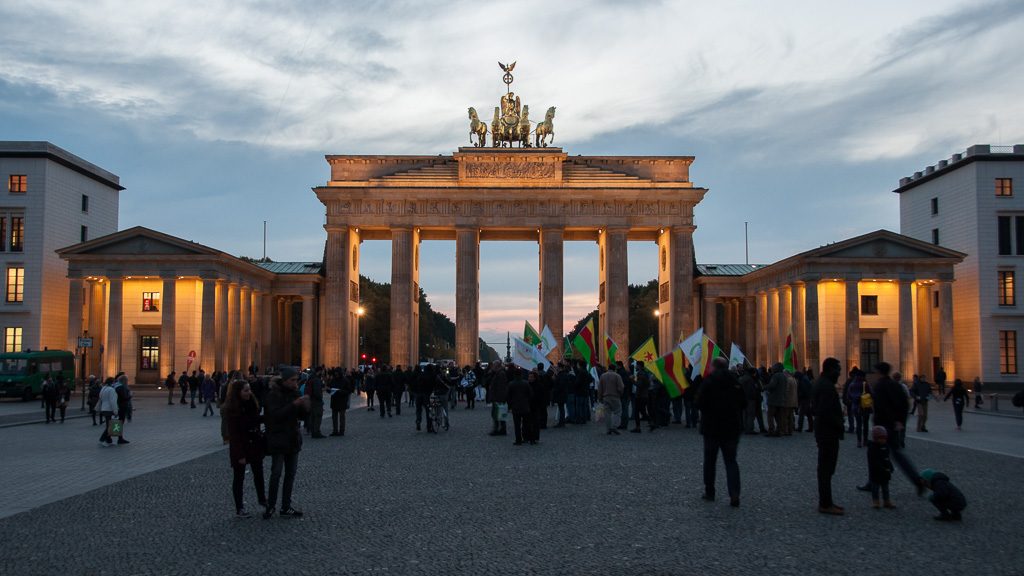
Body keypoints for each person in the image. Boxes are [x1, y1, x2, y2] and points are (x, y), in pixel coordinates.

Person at [695, 357, 746, 507]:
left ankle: (710, 491)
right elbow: (743, 402)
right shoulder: (735, 381)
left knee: (710, 461)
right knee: (731, 461)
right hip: (731, 428)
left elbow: (698, 402)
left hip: (712, 428)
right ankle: (734, 493)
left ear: (713, 367)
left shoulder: (709, 381)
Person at [871, 362, 925, 495]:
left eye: (875, 371)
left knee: (877, 456)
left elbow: (879, 407)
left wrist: (877, 422)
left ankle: (873, 483)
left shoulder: (879, 386)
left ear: (879, 372)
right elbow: (905, 404)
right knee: (895, 454)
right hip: (892, 425)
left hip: (882, 426)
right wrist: (900, 421)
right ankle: (916, 480)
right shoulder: (896, 385)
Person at [263, 367, 310, 519]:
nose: (296, 383)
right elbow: (275, 415)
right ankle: (270, 506)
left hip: (292, 439)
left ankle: (285, 506)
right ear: (284, 381)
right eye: (293, 380)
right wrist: (294, 405)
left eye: (297, 380)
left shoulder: (295, 394)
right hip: (278, 439)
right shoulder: (273, 395)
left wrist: (305, 407)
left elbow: (301, 416)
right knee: (276, 474)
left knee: (290, 474)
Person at [223, 379, 266, 518]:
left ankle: (262, 499)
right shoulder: (232, 409)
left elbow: (255, 420)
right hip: (240, 446)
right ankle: (239, 507)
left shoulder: (252, 404)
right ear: (238, 392)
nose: (249, 392)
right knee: (239, 477)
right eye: (246, 390)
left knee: (258, 473)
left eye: (249, 389)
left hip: (253, 443)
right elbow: (234, 434)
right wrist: (240, 454)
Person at [812, 357, 845, 515]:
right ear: (830, 370)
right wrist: (839, 424)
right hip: (827, 432)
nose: (839, 373)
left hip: (825, 431)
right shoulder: (826, 387)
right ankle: (825, 503)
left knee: (827, 469)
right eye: (838, 370)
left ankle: (827, 501)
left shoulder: (823, 383)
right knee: (826, 469)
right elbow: (825, 411)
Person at [866, 426, 895, 509]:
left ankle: (887, 501)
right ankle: (876, 501)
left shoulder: (886, 446)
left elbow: (887, 458)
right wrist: (883, 468)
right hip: (876, 472)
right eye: (881, 438)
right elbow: (873, 461)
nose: (883, 440)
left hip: (885, 471)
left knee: (885, 488)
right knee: (875, 488)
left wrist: (890, 467)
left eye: (884, 438)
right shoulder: (872, 448)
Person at [506, 367, 533, 445]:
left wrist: (510, 406)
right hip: (525, 406)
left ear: (514, 375)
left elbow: (508, 396)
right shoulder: (526, 383)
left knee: (517, 425)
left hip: (515, 407)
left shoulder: (511, 384)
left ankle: (518, 440)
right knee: (527, 424)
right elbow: (531, 394)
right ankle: (530, 439)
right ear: (521, 374)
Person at [597, 364, 624, 435]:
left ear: (608, 368)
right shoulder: (617, 376)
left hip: (606, 397)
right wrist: (620, 394)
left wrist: (599, 397)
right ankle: (614, 426)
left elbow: (600, 388)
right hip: (615, 396)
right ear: (615, 369)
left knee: (607, 413)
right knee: (618, 412)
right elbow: (621, 387)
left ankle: (608, 429)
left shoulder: (603, 376)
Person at [765, 363, 788, 437]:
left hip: (773, 399)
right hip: (781, 399)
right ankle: (778, 431)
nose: (772, 368)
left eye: (774, 367)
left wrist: (764, 387)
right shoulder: (784, 376)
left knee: (770, 416)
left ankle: (771, 430)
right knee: (779, 417)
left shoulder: (776, 376)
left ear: (777, 368)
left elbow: (772, 385)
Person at [487, 361, 509, 436]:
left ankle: (497, 429)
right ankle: (501, 429)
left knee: (497, 414)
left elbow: (501, 387)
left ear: (497, 366)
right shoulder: (498, 373)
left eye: (494, 365)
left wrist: (499, 398)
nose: (492, 366)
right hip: (497, 397)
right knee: (498, 414)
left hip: (498, 398)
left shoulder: (500, 374)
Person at [329, 369, 353, 436]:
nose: (336, 375)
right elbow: (330, 387)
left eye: (337, 374)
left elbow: (348, 391)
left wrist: (340, 391)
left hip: (342, 400)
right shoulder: (333, 380)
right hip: (334, 400)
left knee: (342, 417)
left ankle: (341, 431)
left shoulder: (345, 380)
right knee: (334, 417)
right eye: (335, 374)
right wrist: (329, 390)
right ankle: (335, 430)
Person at [631, 361, 651, 433]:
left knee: (637, 412)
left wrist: (632, 380)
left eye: (636, 365)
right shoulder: (645, 373)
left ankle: (638, 427)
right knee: (642, 411)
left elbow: (639, 385)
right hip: (644, 395)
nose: (635, 367)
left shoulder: (641, 373)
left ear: (639, 366)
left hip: (640, 395)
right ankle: (651, 423)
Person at [97, 378, 118, 446]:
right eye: (114, 382)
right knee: (109, 426)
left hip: (104, 408)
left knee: (108, 425)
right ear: (112, 382)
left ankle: (108, 440)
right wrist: (115, 411)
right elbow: (113, 401)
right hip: (109, 409)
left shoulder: (103, 388)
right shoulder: (111, 390)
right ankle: (102, 439)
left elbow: (101, 398)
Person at [306, 370, 326, 438]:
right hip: (317, 401)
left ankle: (313, 431)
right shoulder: (316, 380)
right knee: (318, 416)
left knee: (313, 417)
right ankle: (316, 432)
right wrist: (320, 399)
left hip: (311, 400)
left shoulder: (310, 379)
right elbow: (317, 392)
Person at [113, 376, 131, 444]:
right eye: (127, 380)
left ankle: (117, 438)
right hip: (121, 407)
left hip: (119, 406)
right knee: (119, 423)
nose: (127, 382)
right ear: (124, 381)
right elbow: (124, 398)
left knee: (118, 423)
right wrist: (130, 396)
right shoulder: (121, 387)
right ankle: (118, 438)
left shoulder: (117, 386)